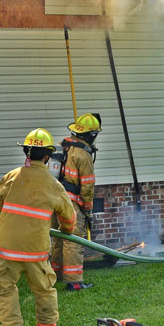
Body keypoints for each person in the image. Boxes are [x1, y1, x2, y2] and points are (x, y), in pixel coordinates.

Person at [0, 128, 76, 326]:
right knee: (43, 288)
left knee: (4, 287)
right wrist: (65, 231)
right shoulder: (54, 186)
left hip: (7, 248)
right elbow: (69, 220)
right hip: (35, 251)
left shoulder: (11, 177)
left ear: (26, 152)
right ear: (47, 156)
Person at [51, 113, 101, 291]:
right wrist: (88, 211)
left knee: (57, 239)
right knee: (73, 240)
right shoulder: (83, 155)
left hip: (55, 200)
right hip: (71, 204)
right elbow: (87, 187)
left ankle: (55, 275)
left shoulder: (61, 147)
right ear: (91, 134)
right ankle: (74, 282)